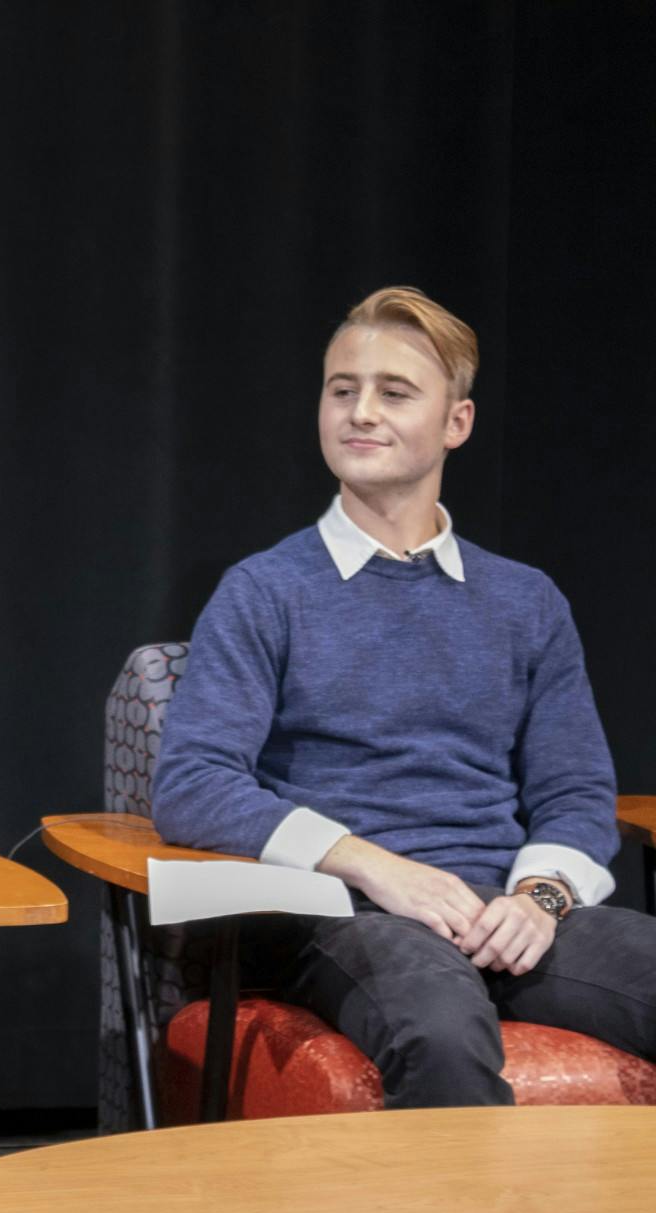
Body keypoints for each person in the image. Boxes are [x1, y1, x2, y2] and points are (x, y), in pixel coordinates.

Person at [151, 285, 656, 1107]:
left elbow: (575, 793)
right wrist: (380, 869)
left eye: (394, 392)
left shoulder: (526, 601)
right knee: (440, 1027)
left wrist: (539, 900)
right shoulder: (266, 591)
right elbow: (193, 782)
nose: (360, 412)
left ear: (456, 423)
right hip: (340, 917)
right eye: (342, 388)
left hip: (498, 910)